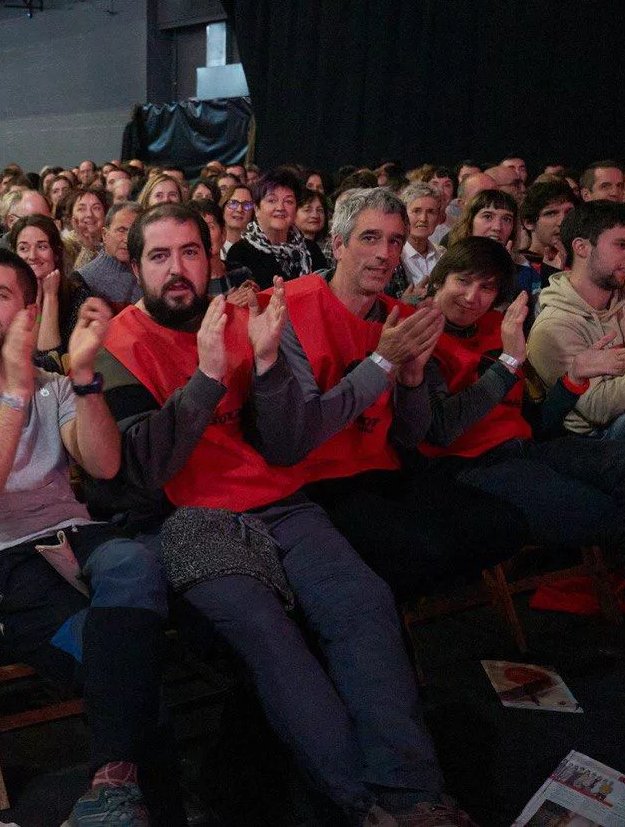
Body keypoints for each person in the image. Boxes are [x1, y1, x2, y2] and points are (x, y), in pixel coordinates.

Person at [94, 202, 473, 827]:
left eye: (189, 252)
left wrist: (267, 369)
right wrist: (210, 378)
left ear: (210, 257)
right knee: (272, 640)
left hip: (284, 500)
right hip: (187, 517)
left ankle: (416, 795)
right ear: (134, 268)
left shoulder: (255, 318)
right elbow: (140, 473)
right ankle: (365, 804)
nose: (177, 269)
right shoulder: (119, 344)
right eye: (159, 257)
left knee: (365, 603)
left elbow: (288, 441)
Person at [0, 245, 171, 827]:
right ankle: (126, 794)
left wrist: (82, 378)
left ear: (28, 311)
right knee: (135, 665)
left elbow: (103, 465)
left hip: (78, 534)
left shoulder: (56, 385)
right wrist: (15, 394)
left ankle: (111, 793)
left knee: (134, 562)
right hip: (1, 564)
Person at [265, 187, 526, 598]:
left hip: (384, 466)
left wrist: (413, 382)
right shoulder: (285, 310)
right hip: (314, 478)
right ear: (337, 245)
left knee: (505, 524)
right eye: (370, 238)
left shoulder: (402, 316)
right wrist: (381, 362)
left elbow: (411, 434)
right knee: (422, 552)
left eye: (395, 241)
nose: (384, 254)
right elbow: (297, 437)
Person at [419, 237, 625, 564]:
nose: (472, 296)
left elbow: (538, 423)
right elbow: (442, 428)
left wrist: (574, 377)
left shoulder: (497, 326)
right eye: (462, 280)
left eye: (487, 287)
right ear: (437, 280)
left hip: (527, 450)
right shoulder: (419, 333)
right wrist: (507, 364)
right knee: (612, 517)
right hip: (465, 465)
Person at [528, 201, 625, 438]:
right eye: (621, 245)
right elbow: (597, 407)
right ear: (582, 248)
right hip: (595, 438)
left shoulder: (624, 295)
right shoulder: (553, 326)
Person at [224, 168, 329, 289]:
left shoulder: (311, 250)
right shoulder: (240, 253)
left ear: (295, 210)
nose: (280, 207)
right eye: (272, 200)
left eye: (288, 201)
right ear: (257, 209)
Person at [9, 214, 85, 360]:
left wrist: (51, 297)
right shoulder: (7, 297)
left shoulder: (78, 297)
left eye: (41, 246)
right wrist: (35, 305)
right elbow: (26, 358)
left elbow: (49, 360)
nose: (32, 256)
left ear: (56, 253)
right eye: (23, 248)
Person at [76, 202, 143, 309]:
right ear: (105, 235)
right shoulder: (83, 280)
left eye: (135, 232)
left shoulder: (151, 278)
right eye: (121, 230)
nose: (127, 239)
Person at [384, 182, 443, 299]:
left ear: (438, 218)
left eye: (431, 212)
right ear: (403, 216)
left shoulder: (443, 255)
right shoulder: (390, 257)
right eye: (416, 211)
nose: (423, 219)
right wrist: (404, 303)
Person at [61, 187, 110, 270]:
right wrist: (88, 249)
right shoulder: (65, 246)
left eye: (96, 208)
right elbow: (73, 281)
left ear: (105, 214)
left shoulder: (111, 242)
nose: (89, 214)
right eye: (81, 209)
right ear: (71, 216)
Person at [217, 184, 253, 257]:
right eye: (233, 203)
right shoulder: (210, 247)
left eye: (246, 205)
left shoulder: (260, 249)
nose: (239, 209)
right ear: (223, 207)